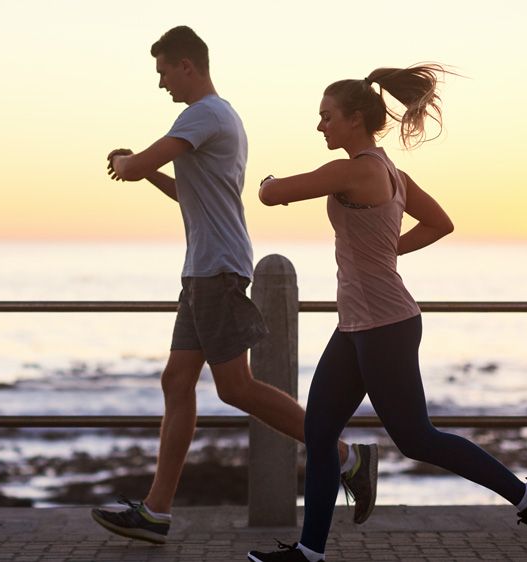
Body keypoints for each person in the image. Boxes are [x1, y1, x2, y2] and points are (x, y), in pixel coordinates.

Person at [247, 64, 527, 561]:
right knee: (320, 431)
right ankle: (310, 552)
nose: (320, 126)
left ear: (354, 119)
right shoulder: (392, 172)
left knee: (415, 438)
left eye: (326, 117)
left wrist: (265, 178)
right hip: (358, 326)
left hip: (385, 326)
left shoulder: (356, 170)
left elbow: (272, 193)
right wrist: (387, 252)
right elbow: (440, 223)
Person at [90, 25, 378, 546]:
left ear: (187, 66)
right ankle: (156, 511)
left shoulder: (203, 115)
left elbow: (132, 167)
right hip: (203, 268)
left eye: (163, 73)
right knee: (177, 383)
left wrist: (122, 161)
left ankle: (345, 457)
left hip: (218, 270)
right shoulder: (218, 120)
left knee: (235, 387)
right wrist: (144, 171)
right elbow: (188, 192)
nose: (161, 85)